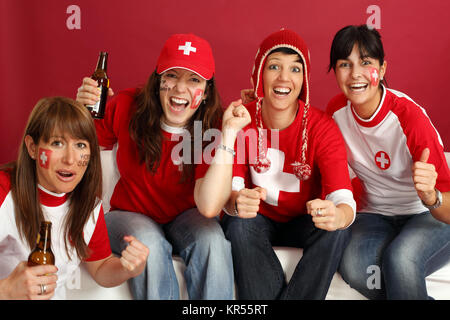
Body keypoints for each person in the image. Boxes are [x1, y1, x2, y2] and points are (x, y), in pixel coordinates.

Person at [76, 33, 249, 300]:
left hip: (187, 215)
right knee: (149, 242)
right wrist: (80, 110)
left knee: (212, 240)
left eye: (194, 80)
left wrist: (227, 134)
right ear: (158, 81)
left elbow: (209, 207)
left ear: (206, 91)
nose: (181, 89)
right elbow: (76, 140)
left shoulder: (212, 124)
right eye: (172, 76)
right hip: (130, 214)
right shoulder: (127, 106)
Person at [222, 28, 356, 300]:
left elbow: (343, 198)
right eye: (274, 67)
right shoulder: (241, 119)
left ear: (304, 79)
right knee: (238, 224)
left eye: (295, 69)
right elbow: (231, 191)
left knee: (337, 230)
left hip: (302, 220)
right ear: (260, 73)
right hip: (257, 219)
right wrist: (237, 200)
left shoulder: (322, 128)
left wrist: (338, 215)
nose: (284, 78)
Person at [326, 24, 450, 299]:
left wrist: (430, 196)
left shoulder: (410, 119)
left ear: (381, 70)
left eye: (366, 62)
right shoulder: (335, 113)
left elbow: (448, 207)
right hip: (372, 216)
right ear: (335, 72)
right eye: (345, 64)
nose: (356, 74)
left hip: (424, 214)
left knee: (400, 260)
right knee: (357, 268)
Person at [0, 97, 149, 300]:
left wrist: (128, 268)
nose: (70, 159)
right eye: (57, 143)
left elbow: (101, 267)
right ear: (32, 148)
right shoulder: (4, 190)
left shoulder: (88, 205)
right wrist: (6, 290)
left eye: (80, 145)